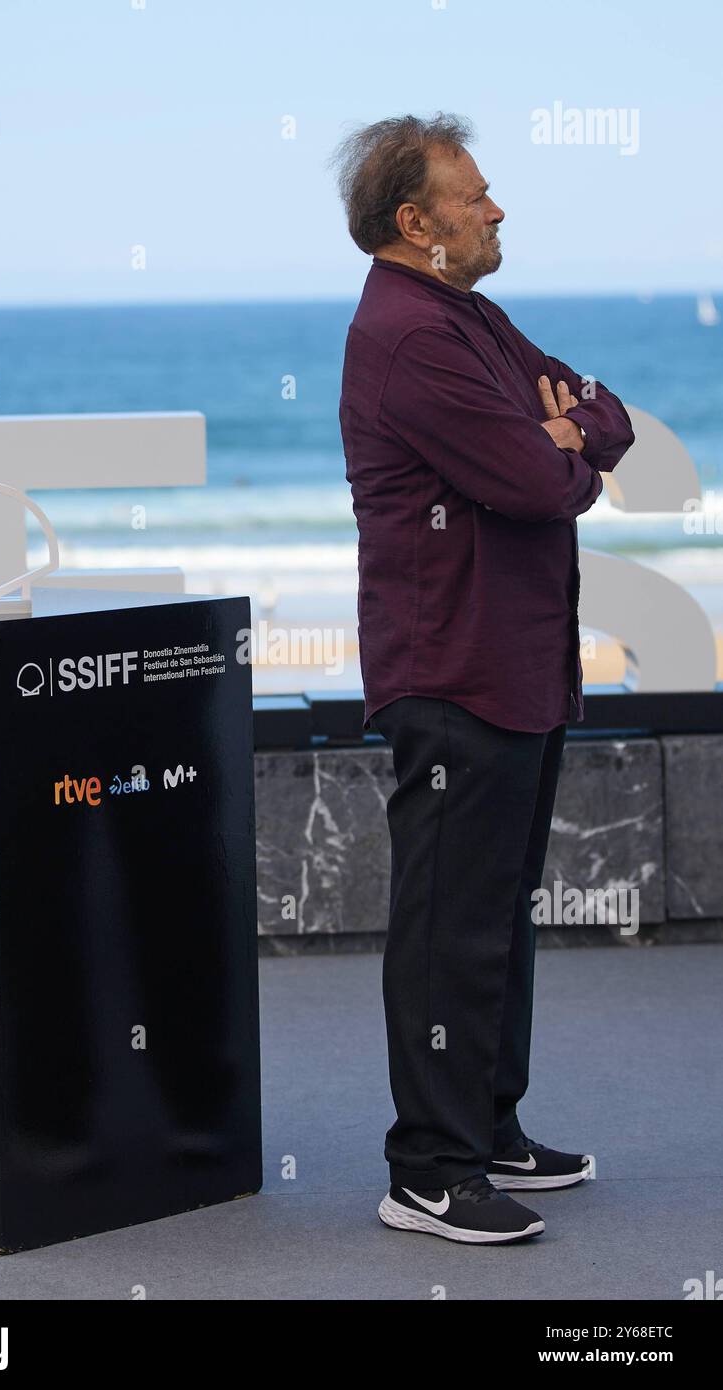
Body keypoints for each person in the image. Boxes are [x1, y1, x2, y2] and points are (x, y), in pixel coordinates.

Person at [333, 113, 635, 1244]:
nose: (495, 207)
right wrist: (554, 446)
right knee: (448, 924)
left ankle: (487, 1127)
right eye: (473, 195)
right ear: (414, 222)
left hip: (510, 661)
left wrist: (569, 431)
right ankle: (427, 1170)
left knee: (494, 911)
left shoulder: (468, 317)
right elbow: (535, 480)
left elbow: (600, 409)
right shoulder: (413, 337)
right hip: (452, 668)